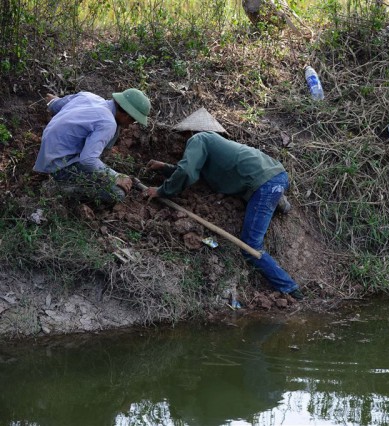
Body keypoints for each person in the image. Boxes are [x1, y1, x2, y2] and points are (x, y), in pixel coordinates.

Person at [142, 109, 303, 300]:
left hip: (263, 185)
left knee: (250, 246)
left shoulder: (199, 138)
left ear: (191, 132)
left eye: (184, 135)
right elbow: (193, 174)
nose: (183, 140)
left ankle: (290, 288)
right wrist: (165, 168)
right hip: (276, 175)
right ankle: (279, 200)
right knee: (264, 194)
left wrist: (161, 191)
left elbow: (186, 173)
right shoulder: (217, 146)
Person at [34, 88, 151, 204]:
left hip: (46, 152)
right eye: (133, 121)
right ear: (127, 116)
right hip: (59, 166)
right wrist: (115, 176)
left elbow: (55, 104)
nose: (130, 125)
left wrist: (53, 101)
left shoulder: (88, 96)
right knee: (117, 193)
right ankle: (59, 188)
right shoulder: (108, 123)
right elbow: (87, 160)